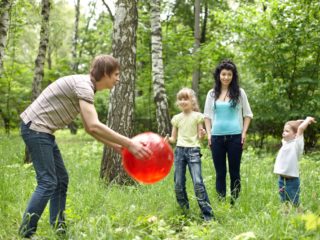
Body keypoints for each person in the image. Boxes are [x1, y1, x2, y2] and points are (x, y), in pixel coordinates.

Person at [18, 54, 151, 238]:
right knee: (48, 182)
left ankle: (58, 228)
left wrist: (116, 146)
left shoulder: (86, 87)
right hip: (36, 129)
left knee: (61, 179)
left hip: (42, 131)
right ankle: (26, 232)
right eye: (116, 74)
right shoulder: (84, 86)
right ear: (105, 73)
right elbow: (95, 125)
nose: (118, 79)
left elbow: (89, 128)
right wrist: (129, 143)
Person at [203, 59, 253, 205]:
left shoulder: (239, 93)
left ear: (233, 76)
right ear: (219, 75)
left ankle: (234, 203)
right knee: (220, 173)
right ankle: (221, 202)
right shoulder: (211, 94)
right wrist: (209, 135)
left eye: (229, 74)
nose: (226, 77)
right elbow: (207, 116)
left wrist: (243, 133)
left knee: (234, 172)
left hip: (235, 137)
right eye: (223, 74)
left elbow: (248, 115)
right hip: (216, 138)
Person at [167, 88, 214, 221]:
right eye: (180, 99)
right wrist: (166, 140)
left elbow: (200, 137)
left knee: (198, 183)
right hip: (180, 151)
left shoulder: (198, 116)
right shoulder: (176, 118)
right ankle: (184, 212)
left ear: (192, 100)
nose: (183, 101)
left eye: (186, 98)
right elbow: (173, 139)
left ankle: (208, 216)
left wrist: (203, 134)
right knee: (178, 184)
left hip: (193, 151)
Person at [273, 117, 316, 207]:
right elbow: (295, 127)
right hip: (282, 180)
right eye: (284, 131)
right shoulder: (286, 142)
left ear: (295, 134)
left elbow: (300, 129)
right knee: (284, 202)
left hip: (292, 181)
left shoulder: (297, 144)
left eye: (287, 131)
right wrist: (297, 122)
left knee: (295, 203)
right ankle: (285, 218)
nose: (284, 133)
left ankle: (298, 217)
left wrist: (307, 120)